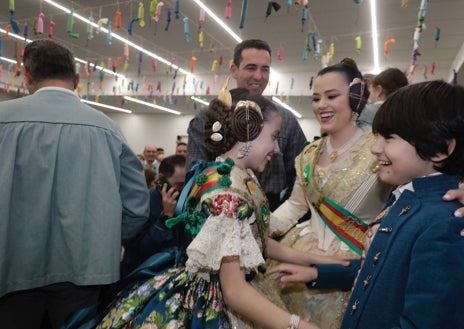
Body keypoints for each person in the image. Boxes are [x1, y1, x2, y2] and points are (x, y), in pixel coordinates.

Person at [85, 88, 350, 329]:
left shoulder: (228, 172)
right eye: (274, 137)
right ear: (250, 132)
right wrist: (297, 325)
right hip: (215, 304)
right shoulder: (228, 195)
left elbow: (256, 241)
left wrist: (319, 260)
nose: (277, 148)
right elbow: (234, 292)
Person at [270, 80, 464, 329]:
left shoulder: (444, 224)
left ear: (440, 149)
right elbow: (382, 268)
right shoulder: (408, 200)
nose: (375, 147)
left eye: (390, 138)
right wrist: (321, 274)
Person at [0, 39, 149, 329]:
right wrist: (104, 242)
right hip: (85, 273)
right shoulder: (107, 129)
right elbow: (137, 209)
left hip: (10, 269)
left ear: (27, 76)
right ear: (78, 79)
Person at [260, 58, 394, 329]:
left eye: (332, 96)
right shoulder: (308, 153)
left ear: (355, 98)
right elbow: (295, 206)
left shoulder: (379, 147)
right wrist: (257, 228)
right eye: (316, 98)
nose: (322, 105)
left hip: (353, 261)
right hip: (301, 250)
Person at [187, 39, 307, 211]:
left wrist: (282, 219)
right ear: (234, 70)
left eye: (265, 69)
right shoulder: (208, 117)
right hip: (218, 209)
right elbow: (196, 176)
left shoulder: (285, 120)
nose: (258, 76)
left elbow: (299, 177)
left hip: (273, 210)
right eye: (251, 68)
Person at [121, 154, 188, 277]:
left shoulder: (184, 201)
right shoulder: (141, 203)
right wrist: (165, 217)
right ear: (161, 179)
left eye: (185, 184)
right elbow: (139, 250)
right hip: (143, 274)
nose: (183, 189)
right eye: (178, 184)